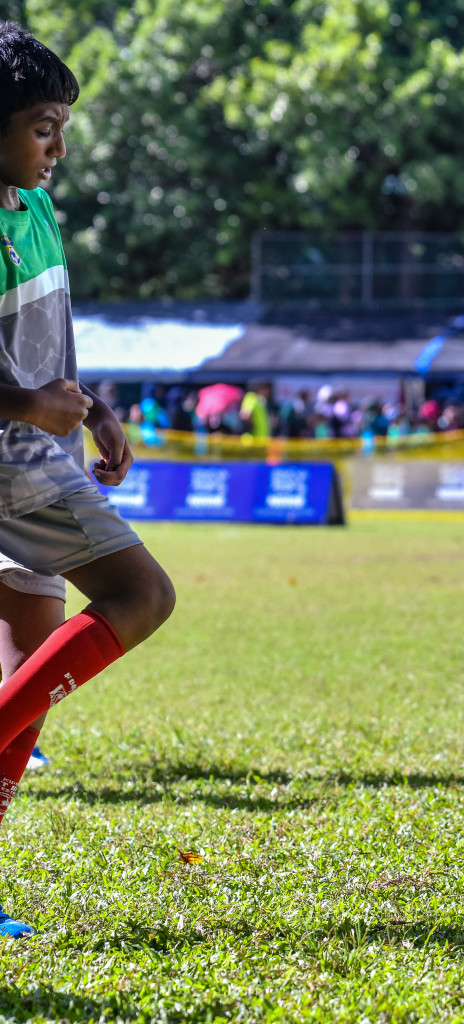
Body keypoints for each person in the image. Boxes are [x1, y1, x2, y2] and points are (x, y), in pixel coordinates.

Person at [0, 23, 177, 937]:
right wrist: (30, 406)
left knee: (29, 655)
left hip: (38, 445)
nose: (58, 148)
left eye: (63, 126)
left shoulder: (31, 205)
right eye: (42, 127)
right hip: (11, 457)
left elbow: (41, 341)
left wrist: (89, 403)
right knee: (141, 594)